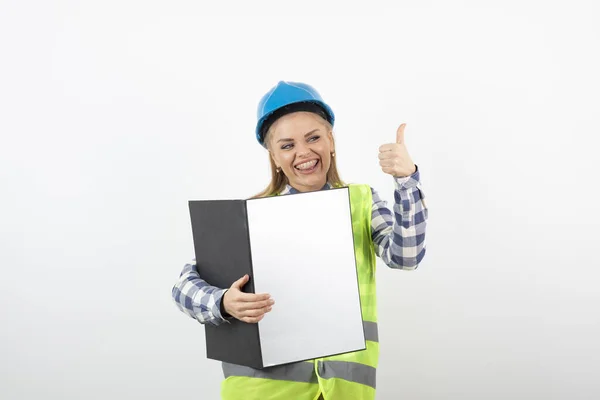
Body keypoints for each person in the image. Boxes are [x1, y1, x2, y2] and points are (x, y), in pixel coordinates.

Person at [172, 81, 428, 400]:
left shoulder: (361, 202)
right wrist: (223, 301)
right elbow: (184, 286)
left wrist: (406, 180)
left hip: (343, 391)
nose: (303, 153)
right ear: (274, 157)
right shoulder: (250, 216)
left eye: (313, 138)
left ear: (331, 141)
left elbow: (406, 256)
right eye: (287, 145)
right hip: (262, 392)